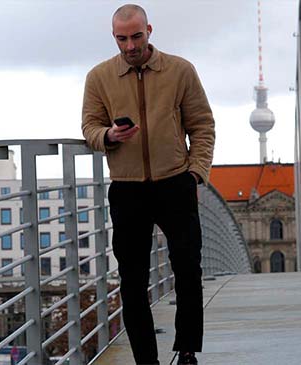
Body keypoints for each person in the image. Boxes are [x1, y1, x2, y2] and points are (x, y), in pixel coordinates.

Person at [81, 4, 215, 364]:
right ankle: (146, 360)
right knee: (132, 280)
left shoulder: (180, 71)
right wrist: (109, 134)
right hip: (127, 189)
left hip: (175, 183)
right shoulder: (99, 77)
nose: (129, 46)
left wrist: (195, 173)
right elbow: (89, 128)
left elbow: (202, 126)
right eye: (122, 38)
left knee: (188, 270)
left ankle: (187, 350)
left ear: (149, 30)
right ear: (114, 37)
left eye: (136, 36)